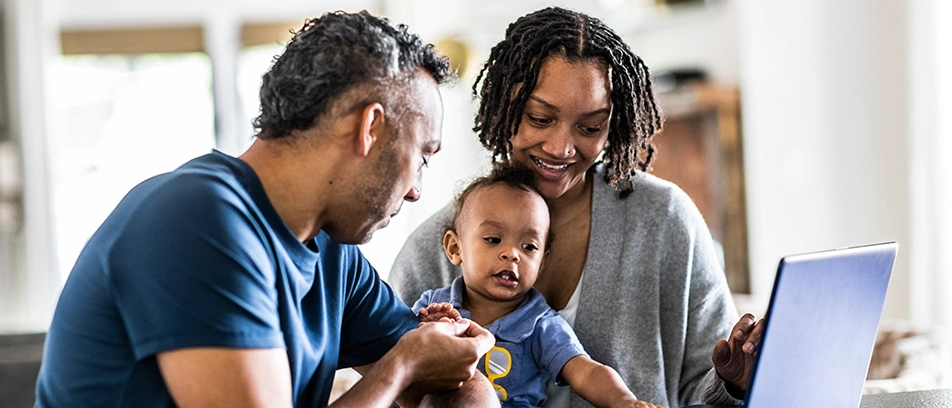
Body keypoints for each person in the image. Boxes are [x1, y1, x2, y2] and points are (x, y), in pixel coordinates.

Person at [35, 11, 498, 408]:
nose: (417, 190)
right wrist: (401, 366)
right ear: (369, 128)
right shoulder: (195, 220)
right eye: (421, 156)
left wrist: (441, 363)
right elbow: (411, 363)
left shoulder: (332, 251)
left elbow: (452, 377)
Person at [389, 7, 764, 408]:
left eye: (589, 128)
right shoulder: (431, 249)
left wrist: (735, 385)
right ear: (502, 106)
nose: (561, 148)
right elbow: (393, 385)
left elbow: (703, 392)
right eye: (539, 118)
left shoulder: (664, 220)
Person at [413, 163, 663, 408]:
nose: (512, 254)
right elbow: (397, 360)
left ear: (542, 263)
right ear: (455, 248)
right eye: (493, 239)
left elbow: (586, 371)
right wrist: (427, 333)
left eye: (528, 247)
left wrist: (623, 401)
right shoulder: (432, 307)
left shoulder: (540, 324)